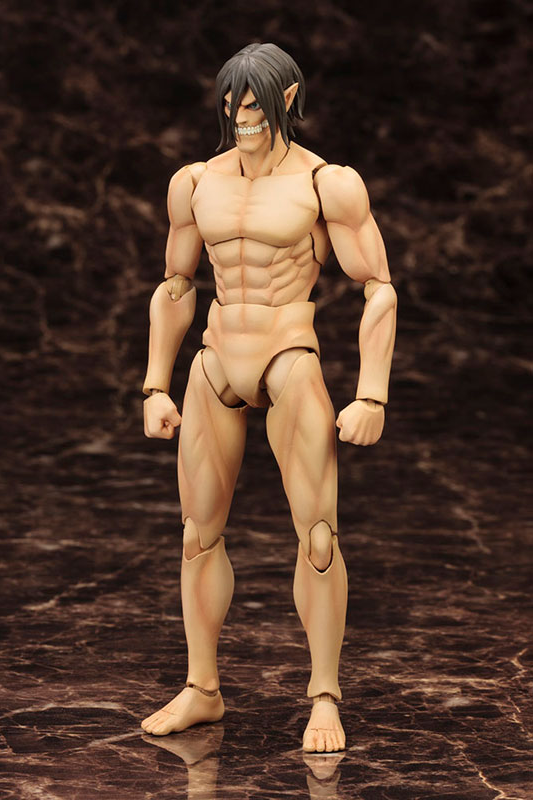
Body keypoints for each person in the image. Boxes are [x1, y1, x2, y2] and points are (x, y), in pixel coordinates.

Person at [140, 42, 397, 753]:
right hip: (217, 358)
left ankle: (324, 695)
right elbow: (176, 284)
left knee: (318, 536)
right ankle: (202, 688)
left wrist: (372, 394)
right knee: (197, 533)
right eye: (231, 102)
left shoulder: (327, 183)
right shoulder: (195, 182)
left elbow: (379, 287)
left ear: (286, 99)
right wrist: (155, 383)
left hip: (288, 357)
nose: (240, 115)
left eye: (254, 102)